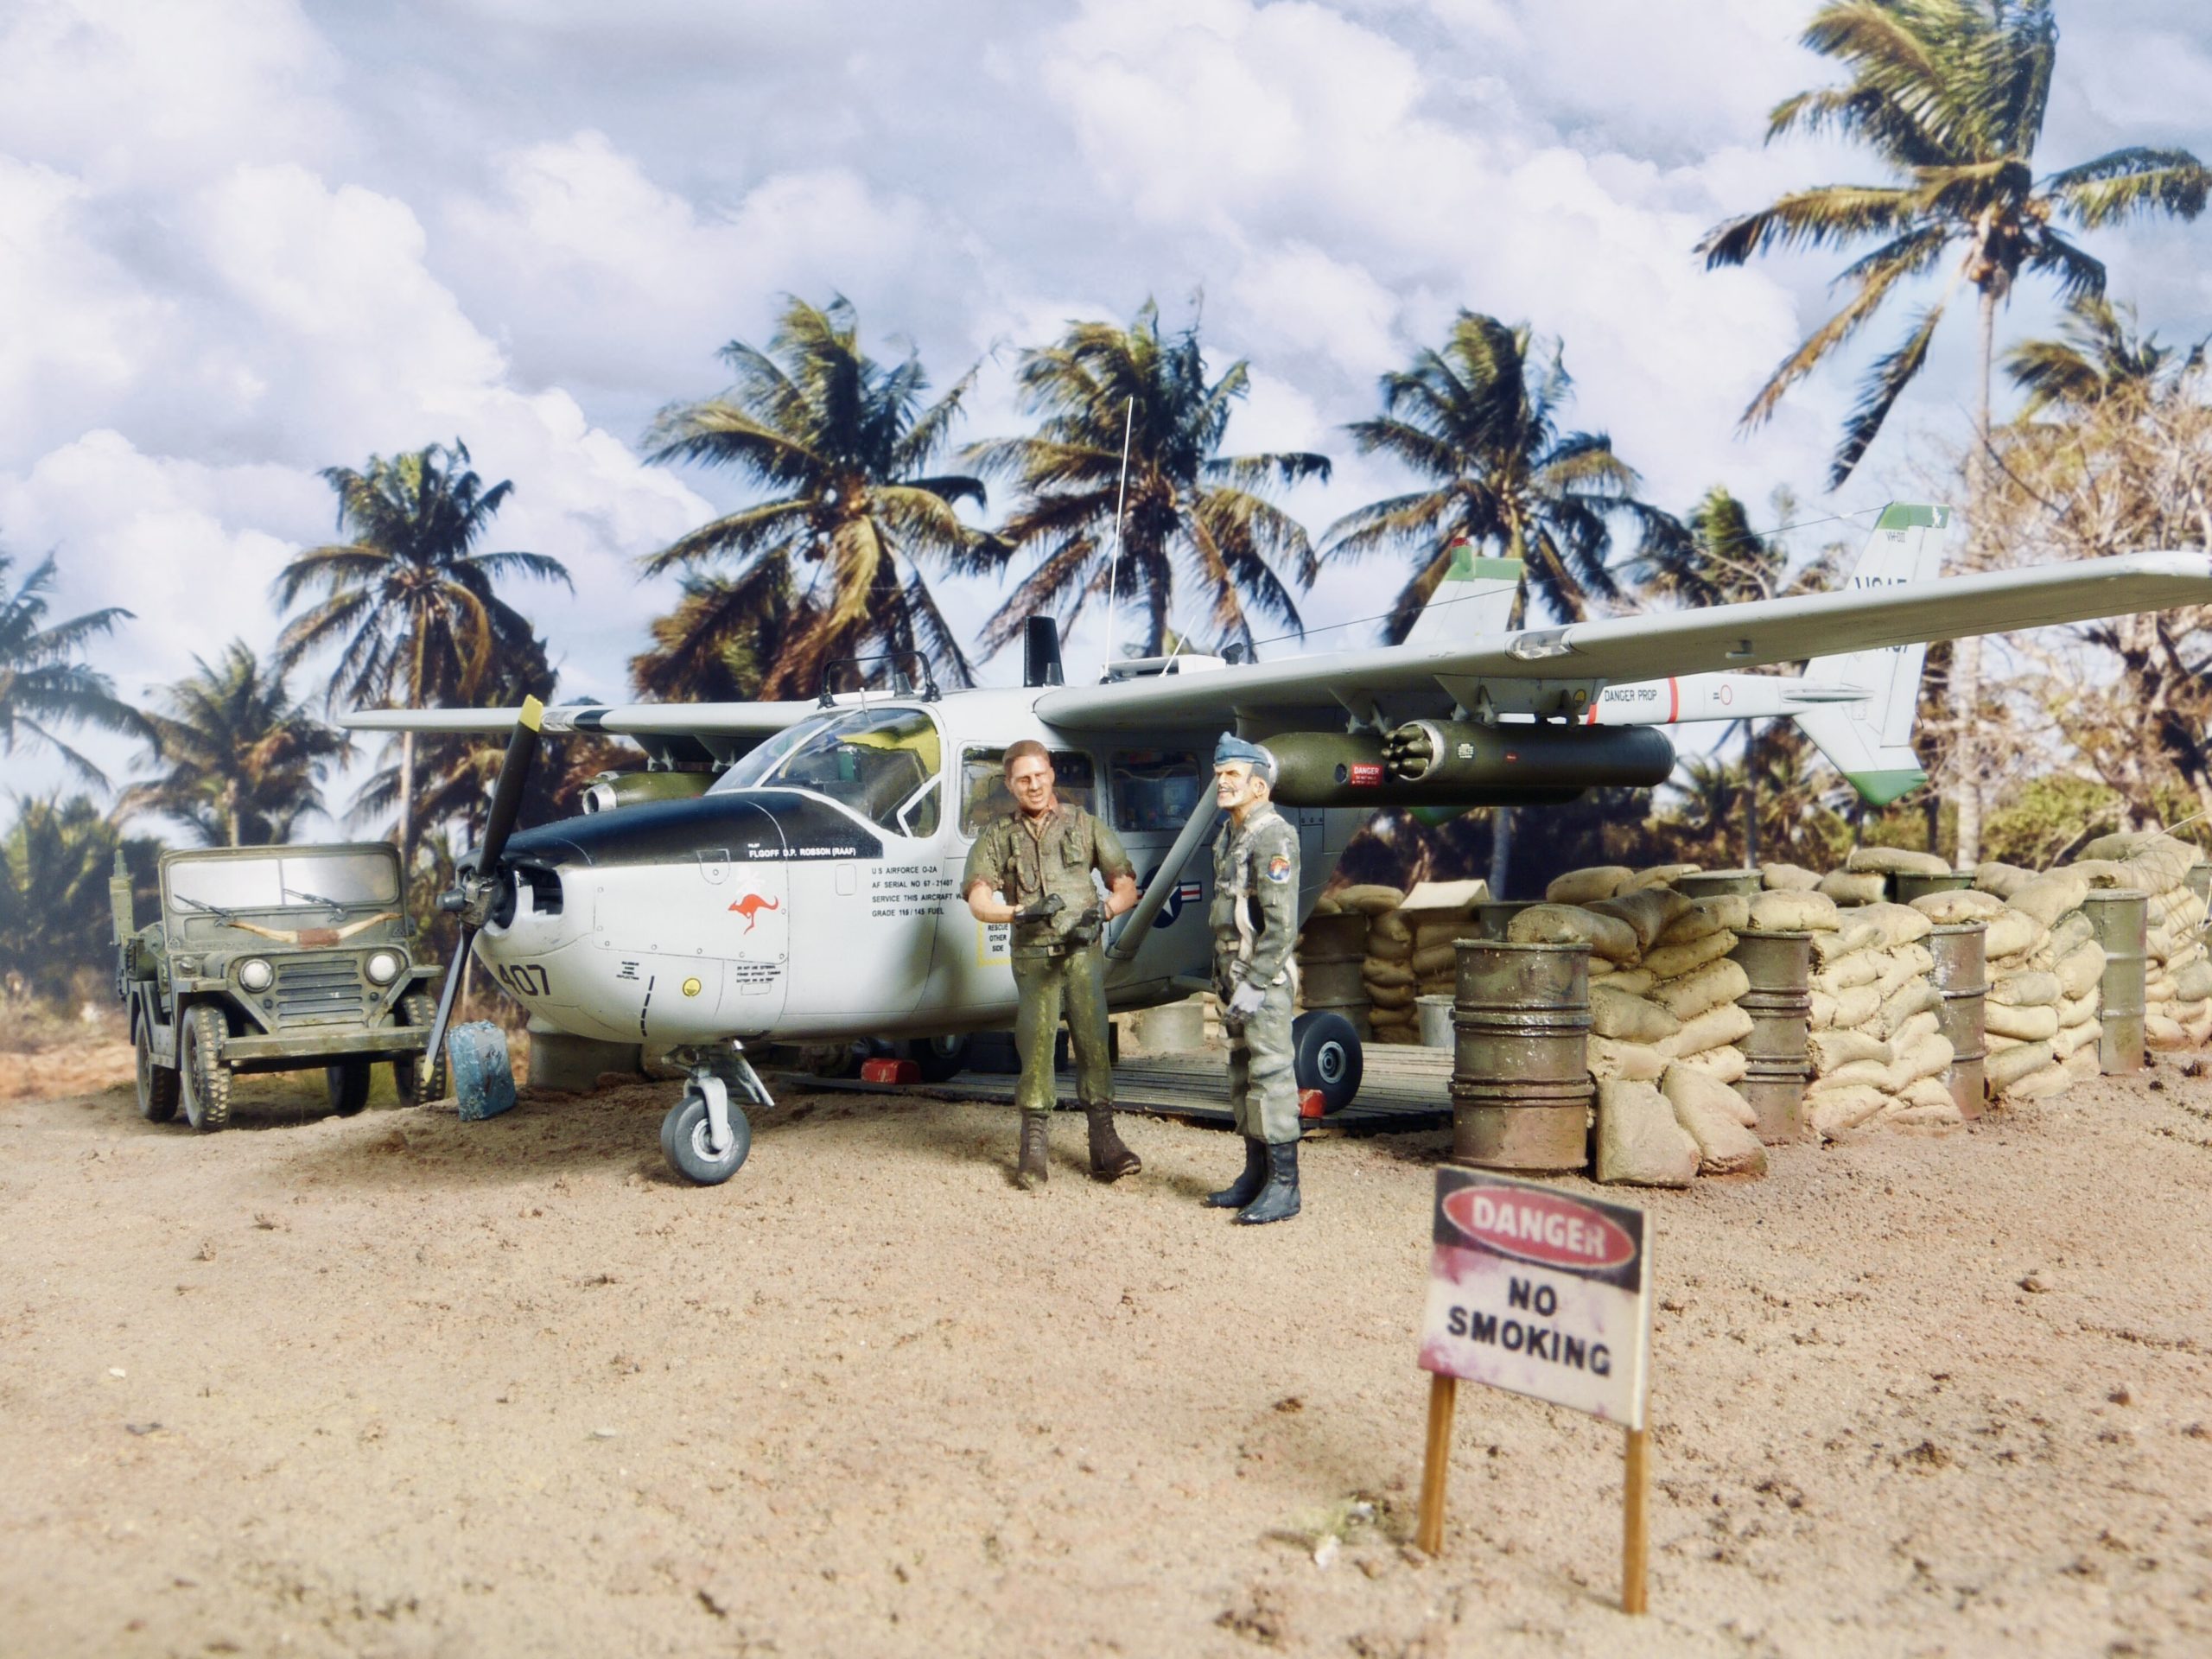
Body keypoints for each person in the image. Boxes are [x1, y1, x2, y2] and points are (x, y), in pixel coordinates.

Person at [963, 740, 1142, 1189]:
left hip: (1082, 954)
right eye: (1023, 779)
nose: (1034, 785)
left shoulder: (1084, 825)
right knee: (1036, 1044)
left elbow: (1126, 886)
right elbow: (979, 901)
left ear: (1052, 774)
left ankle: (1105, 1142)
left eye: (1040, 775)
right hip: (1033, 958)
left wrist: (1103, 912)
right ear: (1009, 785)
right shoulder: (997, 836)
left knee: (1093, 1041)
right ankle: (1034, 1147)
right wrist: (1019, 913)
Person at [1205, 734, 1304, 1224]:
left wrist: (1257, 981)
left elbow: (1281, 925)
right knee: (1242, 1069)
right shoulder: (1230, 834)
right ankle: (1256, 1173)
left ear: (1259, 786)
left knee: (1271, 1071)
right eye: (1219, 775)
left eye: (1232, 775)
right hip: (1233, 973)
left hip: (1259, 977)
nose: (1222, 783)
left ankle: (1285, 1186)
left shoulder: (1273, 836)